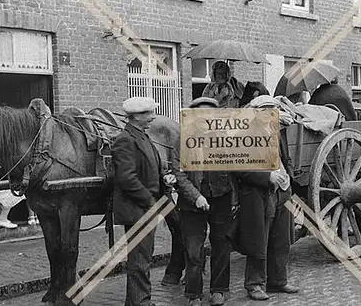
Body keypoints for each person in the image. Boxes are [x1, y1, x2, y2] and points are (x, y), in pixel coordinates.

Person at [235, 92, 299, 300]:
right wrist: (267, 177)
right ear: (255, 112)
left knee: (281, 239)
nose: (270, 114)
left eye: (273, 110)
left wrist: (286, 176)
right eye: (265, 110)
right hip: (257, 194)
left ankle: (278, 281)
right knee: (258, 240)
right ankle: (254, 284)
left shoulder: (275, 132)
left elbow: (284, 158)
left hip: (281, 192)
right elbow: (238, 167)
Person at [112, 97, 175, 306]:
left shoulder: (143, 136)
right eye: (148, 113)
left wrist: (164, 178)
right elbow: (126, 178)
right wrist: (150, 201)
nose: (153, 117)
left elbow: (151, 167)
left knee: (144, 256)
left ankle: (139, 300)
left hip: (145, 207)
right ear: (136, 117)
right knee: (139, 259)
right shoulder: (125, 140)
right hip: (137, 209)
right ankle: (140, 302)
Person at [176, 97, 234, 306]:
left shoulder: (226, 138)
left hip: (222, 199)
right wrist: (196, 196)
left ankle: (219, 290)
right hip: (192, 204)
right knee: (193, 250)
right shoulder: (183, 140)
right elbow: (179, 174)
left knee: (222, 246)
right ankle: (194, 295)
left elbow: (237, 166)